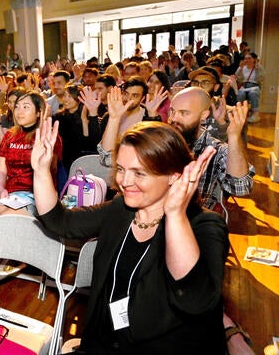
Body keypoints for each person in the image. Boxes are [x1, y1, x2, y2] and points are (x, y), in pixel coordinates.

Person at [32, 118, 228, 354]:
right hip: (104, 343)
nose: (124, 182)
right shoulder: (121, 209)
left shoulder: (204, 225)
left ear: (174, 176)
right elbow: (60, 222)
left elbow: (194, 299)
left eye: (139, 173)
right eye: (122, 170)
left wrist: (175, 214)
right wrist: (42, 170)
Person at [0, 91, 62, 305]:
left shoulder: (48, 137)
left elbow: (50, 170)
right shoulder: (10, 136)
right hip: (10, 197)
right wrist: (2, 188)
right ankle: (7, 243)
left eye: (26, 107)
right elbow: (1, 170)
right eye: (17, 106)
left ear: (39, 112)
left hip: (36, 199)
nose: (19, 111)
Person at [100, 87, 254, 211]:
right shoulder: (160, 139)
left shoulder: (214, 149)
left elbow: (240, 188)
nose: (174, 118)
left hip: (189, 222)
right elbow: (107, 159)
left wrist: (234, 137)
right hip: (146, 213)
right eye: (172, 111)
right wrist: (114, 119)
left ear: (204, 115)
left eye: (183, 113)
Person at [235, 52, 264, 123]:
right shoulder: (242, 68)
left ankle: (255, 114)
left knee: (253, 93)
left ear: (254, 59)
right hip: (244, 86)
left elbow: (260, 78)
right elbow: (238, 79)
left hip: (254, 86)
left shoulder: (258, 67)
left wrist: (257, 68)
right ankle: (240, 112)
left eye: (249, 58)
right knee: (241, 94)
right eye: (246, 58)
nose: (247, 60)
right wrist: (240, 68)